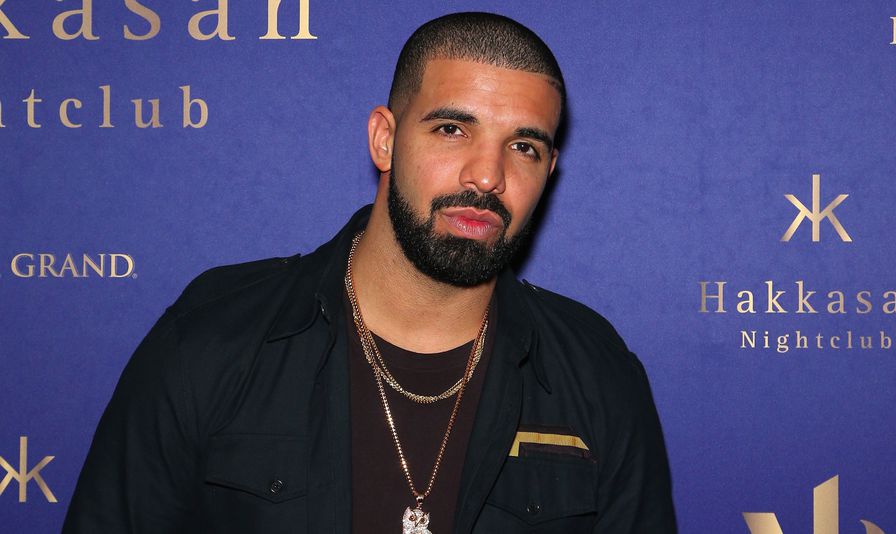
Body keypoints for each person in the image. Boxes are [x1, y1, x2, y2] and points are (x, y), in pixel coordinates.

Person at [62, 12, 676, 534]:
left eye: (524, 147)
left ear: (549, 169)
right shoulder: (215, 337)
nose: (488, 175)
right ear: (385, 139)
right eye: (452, 129)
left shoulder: (596, 373)